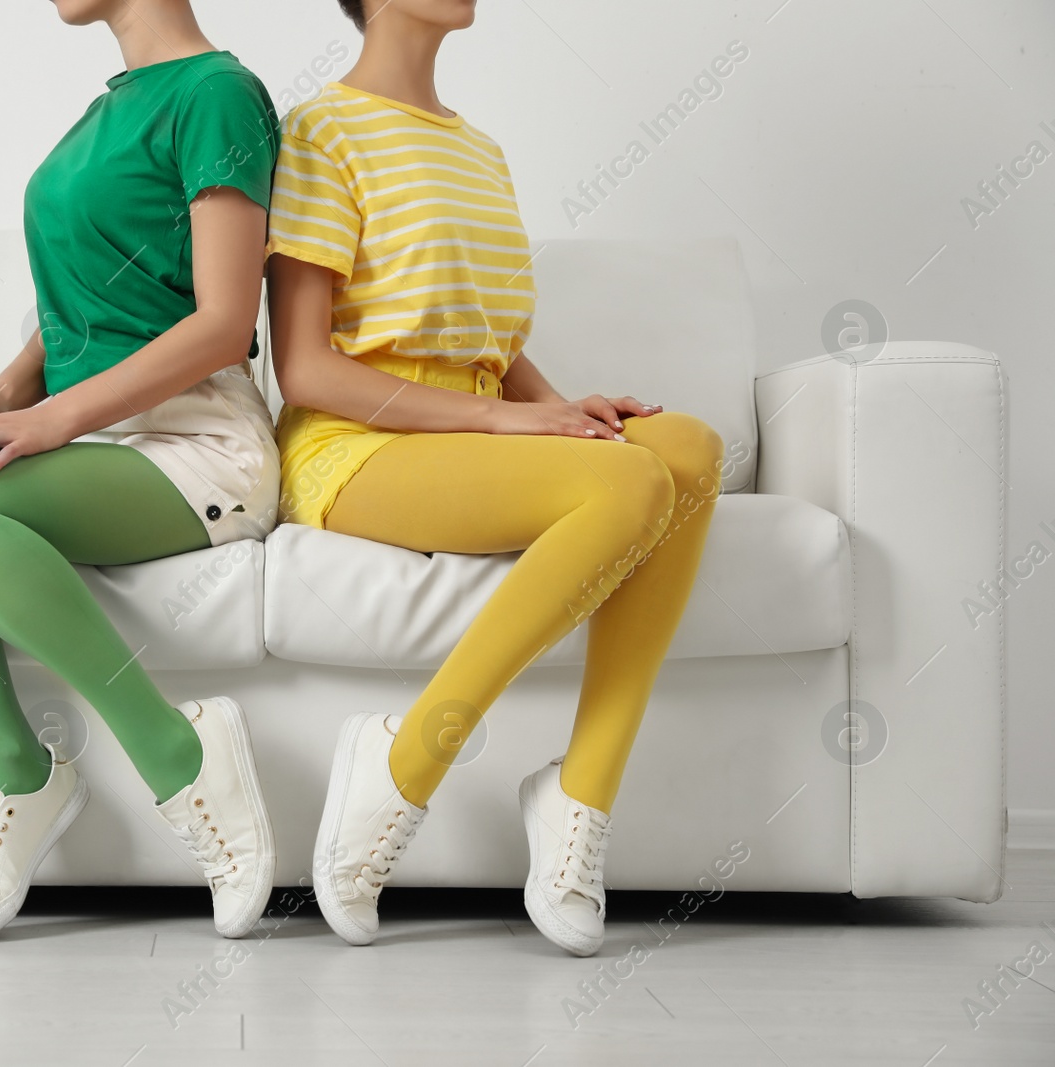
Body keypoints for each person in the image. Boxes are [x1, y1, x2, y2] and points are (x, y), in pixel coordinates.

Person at [267, 0, 725, 955]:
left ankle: (579, 796)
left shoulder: (481, 151)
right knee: (627, 487)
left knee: (682, 447)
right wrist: (511, 421)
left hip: (477, 430)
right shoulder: (322, 130)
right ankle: (405, 766)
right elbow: (305, 368)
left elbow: (495, 349)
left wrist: (567, 411)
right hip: (357, 446)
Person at [0, 0, 281, 945]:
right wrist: (11, 391)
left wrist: (53, 419)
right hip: (100, 434)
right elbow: (86, 311)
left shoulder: (217, 95)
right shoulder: (104, 110)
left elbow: (220, 320)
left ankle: (178, 753)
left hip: (198, 446)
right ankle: (16, 774)